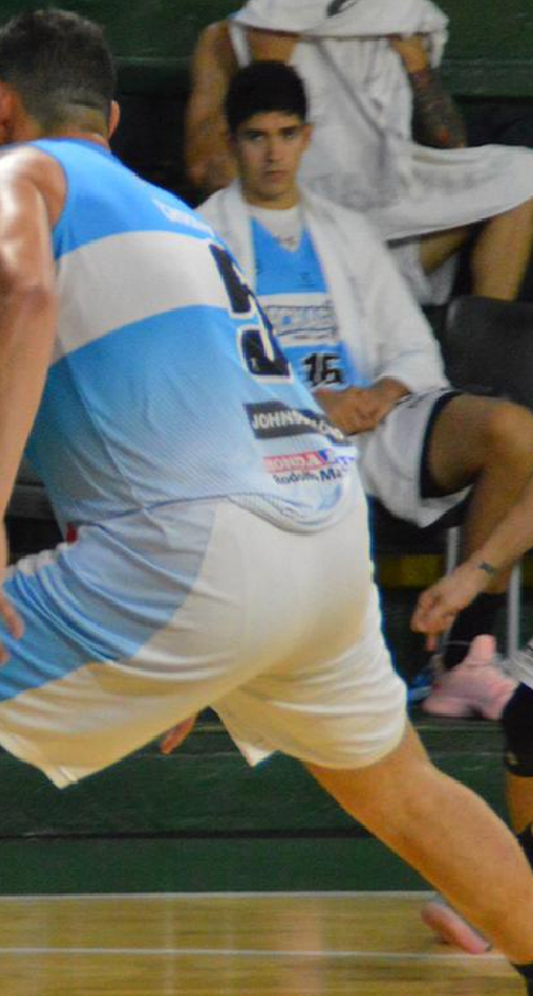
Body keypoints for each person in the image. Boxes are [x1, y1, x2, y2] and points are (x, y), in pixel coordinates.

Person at [0, 8, 533, 996]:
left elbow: (17, 291)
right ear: (112, 117)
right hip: (318, 528)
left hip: (197, 547)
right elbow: (154, 413)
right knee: (400, 789)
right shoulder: (175, 217)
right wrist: (185, 657)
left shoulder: (5, 174)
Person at [198, 61, 533, 954]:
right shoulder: (200, 238)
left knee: (510, 433)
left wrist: (377, 392)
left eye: (286, 133)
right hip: (268, 438)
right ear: (234, 146)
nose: (273, 152)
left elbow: (413, 349)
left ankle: (471, 650)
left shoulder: (344, 232)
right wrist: (315, 410)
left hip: (370, 425)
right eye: (256, 136)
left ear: (307, 138)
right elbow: (205, 376)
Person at [184, 0, 533, 305]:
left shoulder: (388, 22)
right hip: (302, 239)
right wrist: (264, 75)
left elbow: (450, 141)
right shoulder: (228, 38)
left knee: (522, 173)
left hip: (394, 225)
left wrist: (417, 65)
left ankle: (486, 349)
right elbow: (206, 171)